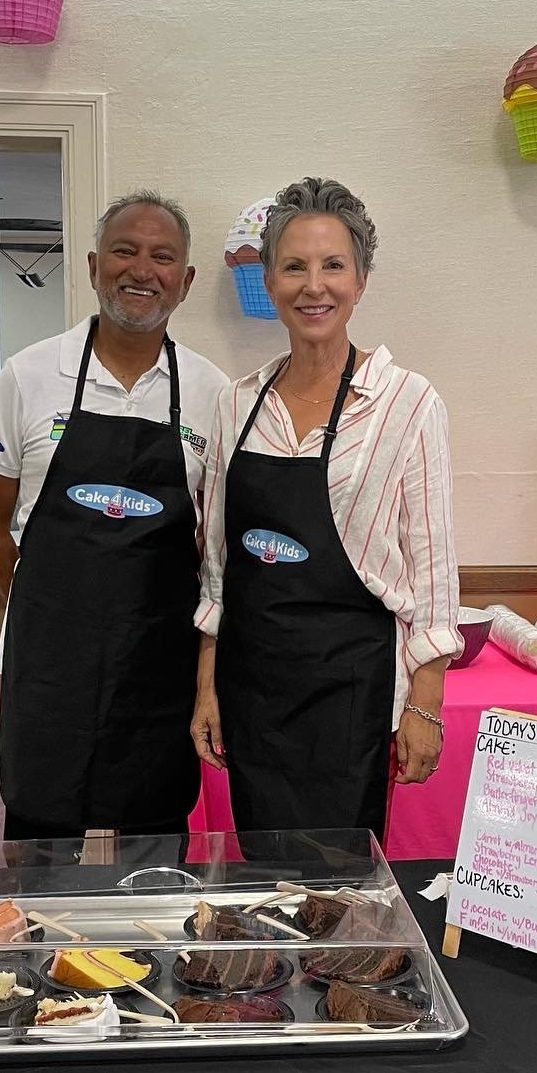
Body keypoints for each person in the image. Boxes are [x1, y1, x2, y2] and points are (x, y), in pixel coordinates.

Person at [191, 177, 460, 844]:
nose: (315, 286)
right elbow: (218, 569)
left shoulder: (407, 402)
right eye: (294, 265)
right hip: (253, 688)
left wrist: (425, 706)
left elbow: (433, 569)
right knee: (262, 879)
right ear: (270, 280)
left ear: (361, 278)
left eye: (333, 265)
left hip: (352, 693)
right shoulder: (237, 403)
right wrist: (207, 684)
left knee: (342, 890)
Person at [0, 191, 230, 841]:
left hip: (158, 666)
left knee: (155, 848)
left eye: (162, 256)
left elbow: (213, 547)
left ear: (186, 280)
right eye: (125, 250)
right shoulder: (27, 378)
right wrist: (42, 606)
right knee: (39, 844)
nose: (142, 270)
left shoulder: (213, 395)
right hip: (49, 667)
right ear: (92, 265)